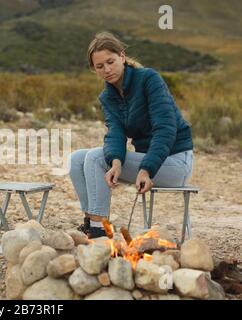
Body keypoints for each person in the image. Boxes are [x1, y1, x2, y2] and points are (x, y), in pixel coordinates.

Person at [69, 32, 194, 239]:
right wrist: (115, 162)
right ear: (94, 70)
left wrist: (146, 169)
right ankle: (91, 221)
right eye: (100, 66)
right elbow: (115, 133)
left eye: (110, 62)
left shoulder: (148, 79)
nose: (107, 70)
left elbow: (165, 129)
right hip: (148, 160)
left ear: (122, 56)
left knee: (95, 157)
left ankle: (99, 231)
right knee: (76, 159)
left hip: (175, 162)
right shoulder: (108, 96)